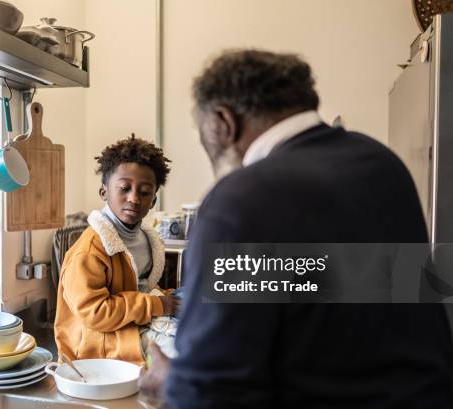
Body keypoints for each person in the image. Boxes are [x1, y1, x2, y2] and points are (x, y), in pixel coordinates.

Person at [139, 50, 453, 408]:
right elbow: (337, 286)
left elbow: (209, 393)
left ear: (224, 122)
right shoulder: (382, 164)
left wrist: (173, 382)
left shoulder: (242, 201)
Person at [54, 135, 181, 365]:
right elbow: (95, 312)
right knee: (180, 352)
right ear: (104, 193)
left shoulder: (146, 240)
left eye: (144, 192)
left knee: (201, 335)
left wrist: (168, 298)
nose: (133, 198)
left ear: (153, 201)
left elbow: (141, 289)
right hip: (98, 346)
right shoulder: (90, 250)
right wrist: (158, 305)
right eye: (124, 188)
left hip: (134, 327)